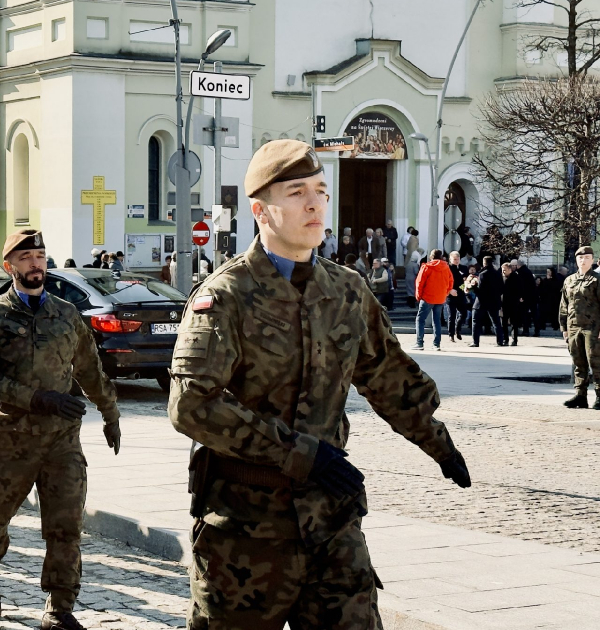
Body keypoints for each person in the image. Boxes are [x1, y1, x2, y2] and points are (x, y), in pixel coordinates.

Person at [169, 139, 471, 629]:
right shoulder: (226, 297)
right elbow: (192, 406)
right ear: (261, 210)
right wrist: (302, 454)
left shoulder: (347, 289)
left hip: (332, 522)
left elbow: (388, 375)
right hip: (247, 531)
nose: (313, 204)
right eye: (296, 192)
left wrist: (438, 443)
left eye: (320, 191)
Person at [0, 228, 121, 630]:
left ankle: (59, 607)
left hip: (61, 440)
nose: (36, 263)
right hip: (12, 441)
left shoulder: (65, 314)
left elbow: (89, 367)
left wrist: (110, 413)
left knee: (66, 525)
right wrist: (35, 398)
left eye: (41, 256)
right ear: (10, 266)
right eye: (27, 257)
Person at [561, 246, 600, 408]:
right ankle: (580, 395)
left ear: (592, 260)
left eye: (587, 258)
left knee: (596, 362)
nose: (583, 261)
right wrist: (564, 328)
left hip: (593, 328)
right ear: (576, 260)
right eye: (580, 258)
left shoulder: (597, 280)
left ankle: (599, 396)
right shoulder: (569, 280)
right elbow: (564, 305)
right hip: (574, 327)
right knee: (578, 362)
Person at [413, 249, 454, 351]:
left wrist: (418, 296)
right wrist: (446, 293)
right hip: (440, 298)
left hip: (427, 297)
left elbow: (419, 283)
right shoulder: (446, 267)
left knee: (420, 319)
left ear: (431, 256)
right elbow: (450, 281)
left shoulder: (426, 267)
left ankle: (419, 343)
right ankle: (436, 344)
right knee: (437, 321)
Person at [471, 255, 506, 347]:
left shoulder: (483, 274)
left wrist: (473, 287)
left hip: (482, 302)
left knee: (476, 321)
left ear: (484, 263)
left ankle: (475, 342)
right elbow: (502, 288)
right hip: (494, 301)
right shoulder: (497, 273)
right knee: (496, 322)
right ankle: (500, 341)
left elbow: (481, 291)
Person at [446, 251, 470, 342]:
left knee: (464, 313)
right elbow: (445, 281)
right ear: (450, 259)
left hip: (461, 294)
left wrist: (464, 288)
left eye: (458, 259)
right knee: (452, 316)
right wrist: (450, 290)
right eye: (454, 259)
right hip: (451, 295)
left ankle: (458, 329)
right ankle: (451, 335)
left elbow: (466, 281)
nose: (456, 261)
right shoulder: (447, 268)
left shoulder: (464, 268)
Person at [501, 262, 524, 346]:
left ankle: (514, 340)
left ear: (510, 270)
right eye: (502, 270)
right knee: (503, 322)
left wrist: (519, 298)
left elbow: (520, 289)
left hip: (513, 303)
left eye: (505, 270)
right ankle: (505, 339)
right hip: (503, 303)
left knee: (514, 322)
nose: (503, 272)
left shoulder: (516, 277)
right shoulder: (501, 278)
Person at [512, 259, 537, 336]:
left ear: (518, 265)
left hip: (526, 297)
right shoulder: (527, 271)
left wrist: (522, 296)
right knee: (534, 314)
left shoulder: (521, 272)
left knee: (525, 314)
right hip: (532, 296)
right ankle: (536, 330)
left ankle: (526, 330)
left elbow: (523, 286)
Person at [539, 267, 564, 332]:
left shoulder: (556, 280)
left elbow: (556, 288)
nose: (548, 273)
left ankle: (555, 325)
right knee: (544, 313)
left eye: (549, 272)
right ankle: (542, 326)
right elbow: (543, 289)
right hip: (546, 299)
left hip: (554, 300)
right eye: (547, 272)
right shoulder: (545, 280)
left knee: (554, 313)